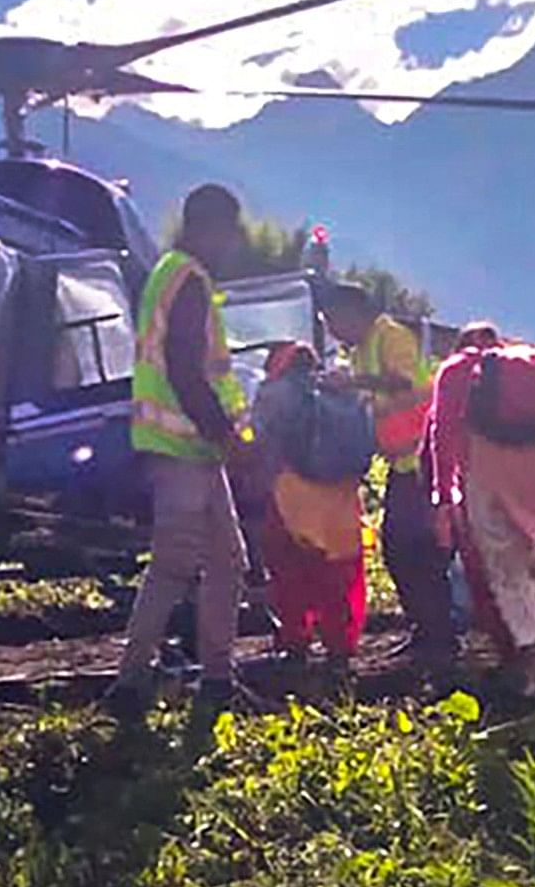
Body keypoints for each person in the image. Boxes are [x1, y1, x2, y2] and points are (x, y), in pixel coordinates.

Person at [108, 183, 258, 720]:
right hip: (185, 446)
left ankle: (218, 680)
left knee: (226, 560)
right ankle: (129, 686)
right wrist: (225, 436)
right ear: (208, 228)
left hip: (191, 447)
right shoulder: (188, 281)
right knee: (174, 565)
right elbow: (187, 374)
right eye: (230, 232)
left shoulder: (168, 274)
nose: (233, 245)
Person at [424, 329, 535, 697]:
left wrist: (443, 494)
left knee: (505, 568)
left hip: (486, 469)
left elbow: (439, 433)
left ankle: (533, 651)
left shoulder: (457, 370)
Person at [324, 281, 452, 675]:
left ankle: (440, 636)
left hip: (421, 461)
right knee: (400, 548)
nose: (333, 332)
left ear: (354, 313)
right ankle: (427, 630)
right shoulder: (362, 349)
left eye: (334, 321)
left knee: (413, 548)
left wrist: (354, 384)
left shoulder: (390, 336)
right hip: (400, 463)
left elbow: (405, 383)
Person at [248, 341, 368, 675]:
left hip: (291, 493)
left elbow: (256, 438)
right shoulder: (344, 392)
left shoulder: (274, 392)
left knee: (291, 575)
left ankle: (295, 645)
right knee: (340, 577)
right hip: (342, 500)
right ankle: (339, 651)